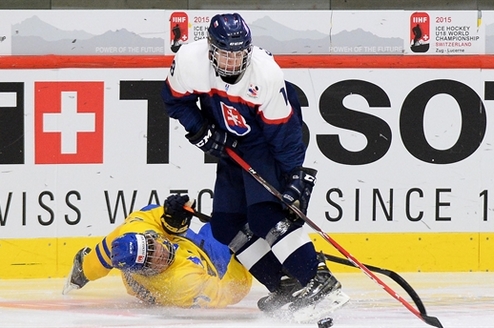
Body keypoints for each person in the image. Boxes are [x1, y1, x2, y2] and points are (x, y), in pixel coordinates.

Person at [161, 12, 349, 321]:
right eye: (225, 53)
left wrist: (293, 177)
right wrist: (201, 130)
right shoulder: (189, 62)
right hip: (231, 148)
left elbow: (285, 134)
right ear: (210, 49)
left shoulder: (265, 74)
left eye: (239, 53)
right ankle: (283, 286)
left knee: (264, 215)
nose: (233, 61)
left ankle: (319, 281)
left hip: (263, 144)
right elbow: (173, 101)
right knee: (225, 226)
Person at [62, 194, 252, 309]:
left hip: (190, 245)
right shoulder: (182, 284)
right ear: (145, 271)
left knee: (140, 220)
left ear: (147, 236)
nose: (160, 253)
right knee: (244, 226)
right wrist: (242, 254)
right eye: (152, 259)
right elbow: (229, 293)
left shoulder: (134, 230)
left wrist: (173, 220)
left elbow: (103, 254)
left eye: (153, 246)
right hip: (214, 264)